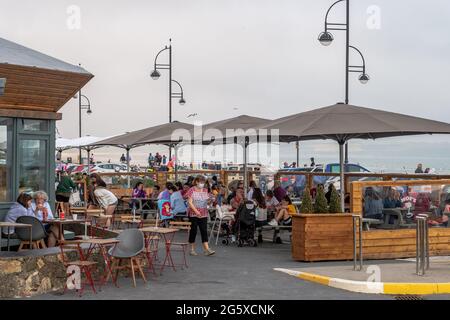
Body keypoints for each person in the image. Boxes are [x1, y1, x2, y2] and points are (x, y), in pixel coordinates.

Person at [186, 175, 215, 256]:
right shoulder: (191, 190)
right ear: (196, 182)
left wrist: (211, 200)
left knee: (204, 230)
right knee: (193, 230)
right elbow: (190, 202)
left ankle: (207, 249)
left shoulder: (205, 190)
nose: (202, 184)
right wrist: (196, 211)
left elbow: (207, 202)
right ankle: (192, 249)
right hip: (193, 213)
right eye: (200, 182)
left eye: (203, 182)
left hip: (203, 213)